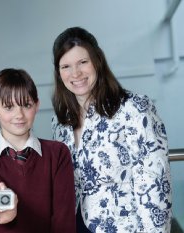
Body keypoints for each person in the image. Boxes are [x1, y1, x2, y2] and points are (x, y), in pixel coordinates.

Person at [51, 26, 172, 232]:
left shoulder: (134, 109)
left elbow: (155, 188)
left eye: (83, 62)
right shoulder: (61, 121)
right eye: (66, 66)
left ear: (97, 61)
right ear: (58, 72)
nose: (76, 73)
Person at [0, 68, 76, 233]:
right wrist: (1, 204)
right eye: (9, 107)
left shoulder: (58, 154)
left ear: (37, 105)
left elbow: (64, 221)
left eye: (26, 105)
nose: (19, 115)